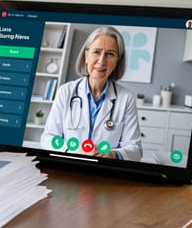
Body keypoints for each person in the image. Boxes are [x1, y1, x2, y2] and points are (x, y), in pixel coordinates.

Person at [41, 26, 142, 161]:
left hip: (105, 170)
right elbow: (49, 138)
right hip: (69, 165)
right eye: (96, 52)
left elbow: (135, 149)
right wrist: (73, 152)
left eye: (110, 54)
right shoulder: (66, 91)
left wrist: (113, 155)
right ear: (86, 56)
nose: (101, 61)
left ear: (117, 61)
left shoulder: (126, 98)